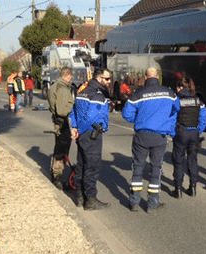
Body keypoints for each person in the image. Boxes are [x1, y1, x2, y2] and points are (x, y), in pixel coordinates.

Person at [122, 68, 180, 213]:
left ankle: (134, 202)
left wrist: (139, 120)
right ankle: (152, 204)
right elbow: (177, 109)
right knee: (156, 169)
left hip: (142, 135)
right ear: (158, 77)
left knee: (138, 167)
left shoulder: (138, 94)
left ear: (146, 78)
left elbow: (126, 113)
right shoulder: (169, 93)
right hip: (160, 136)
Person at [68, 68, 112, 210]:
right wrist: (100, 128)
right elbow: (92, 118)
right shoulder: (97, 95)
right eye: (107, 79)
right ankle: (91, 200)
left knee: (81, 166)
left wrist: (75, 128)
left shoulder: (82, 92)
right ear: (99, 79)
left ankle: (80, 198)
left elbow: (74, 111)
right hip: (91, 134)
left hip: (82, 134)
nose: (109, 81)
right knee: (91, 168)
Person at [171, 76, 206, 198]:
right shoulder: (198, 101)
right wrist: (198, 132)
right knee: (193, 161)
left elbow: (171, 118)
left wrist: (173, 133)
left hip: (181, 133)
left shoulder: (177, 101)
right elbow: (203, 119)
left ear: (181, 87)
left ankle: (178, 189)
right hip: (194, 134)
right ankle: (193, 188)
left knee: (178, 161)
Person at [47, 67, 75, 189]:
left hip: (57, 120)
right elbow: (62, 110)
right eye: (71, 77)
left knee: (58, 147)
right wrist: (73, 108)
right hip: (62, 122)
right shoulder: (63, 89)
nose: (71, 79)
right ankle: (57, 178)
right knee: (62, 149)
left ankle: (55, 175)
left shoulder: (55, 85)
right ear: (67, 76)